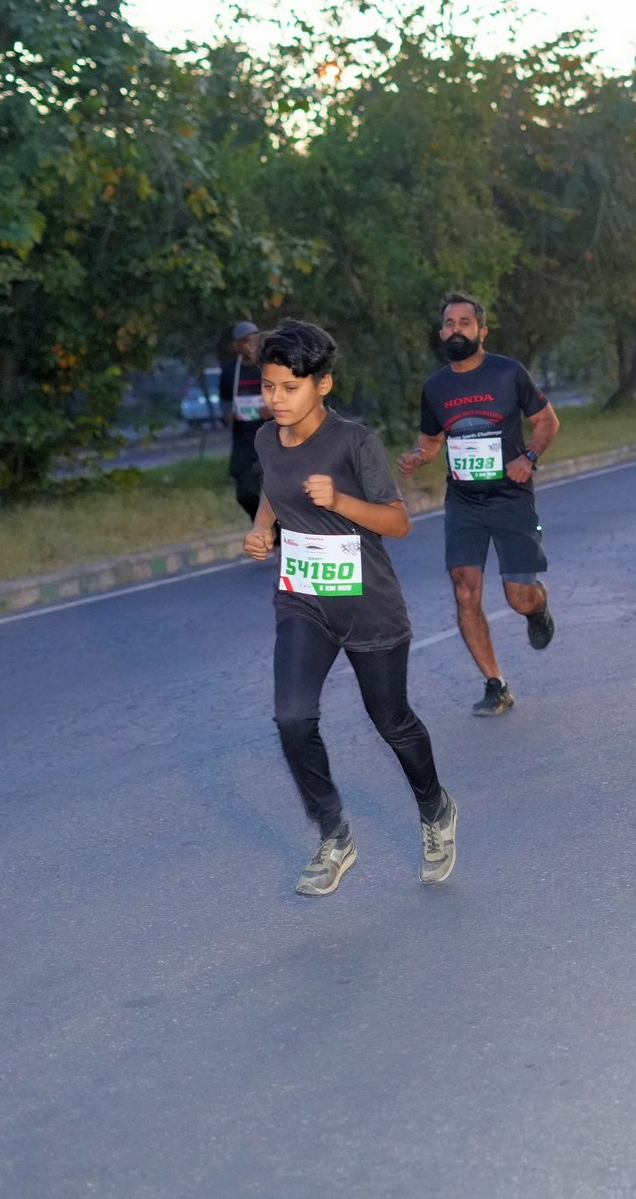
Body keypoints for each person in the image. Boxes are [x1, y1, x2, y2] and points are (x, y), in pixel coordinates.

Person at [242, 319, 456, 897]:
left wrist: (339, 499)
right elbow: (273, 494)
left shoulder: (354, 443)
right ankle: (333, 835)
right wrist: (263, 529)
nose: (277, 399)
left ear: (323, 385)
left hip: (368, 604)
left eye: (290, 387)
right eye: (269, 386)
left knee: (391, 720)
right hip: (303, 598)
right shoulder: (266, 440)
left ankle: (435, 808)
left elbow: (398, 523)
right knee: (292, 718)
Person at [398, 294, 560, 718]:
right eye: (449, 323)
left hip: (511, 496)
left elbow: (547, 421)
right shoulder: (436, 386)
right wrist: (418, 455)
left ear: (482, 331)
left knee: (518, 597)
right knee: (465, 590)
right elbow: (432, 439)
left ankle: (538, 608)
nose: (456, 329)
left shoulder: (508, 372)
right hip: (464, 501)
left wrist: (529, 459)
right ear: (441, 333)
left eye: (465, 322)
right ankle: (496, 684)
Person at [220, 320, 269, 519]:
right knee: (245, 494)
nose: (251, 345)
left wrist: (273, 410)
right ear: (237, 345)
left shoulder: (269, 368)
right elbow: (225, 402)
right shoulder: (230, 371)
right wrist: (228, 415)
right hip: (244, 441)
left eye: (254, 340)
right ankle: (266, 527)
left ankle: (277, 530)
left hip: (270, 437)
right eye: (246, 341)